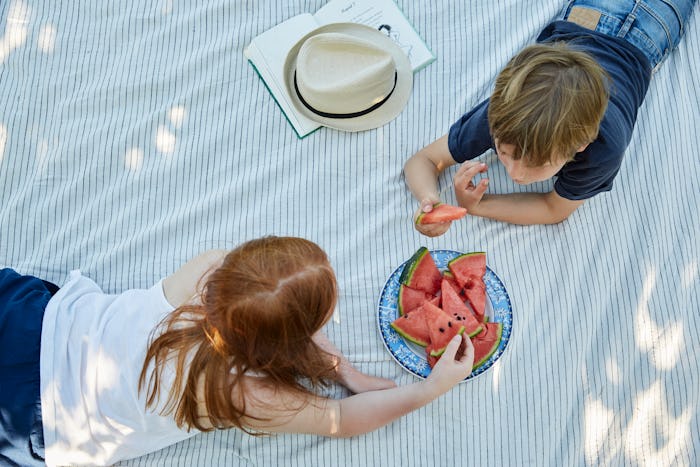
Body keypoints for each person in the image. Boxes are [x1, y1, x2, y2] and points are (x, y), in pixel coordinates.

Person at [0, 236, 474, 466]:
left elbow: (265, 308)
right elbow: (342, 421)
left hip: (33, 320)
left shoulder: (211, 270)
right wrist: (431, 389)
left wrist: (344, 370)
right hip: (33, 416)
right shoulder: (240, 394)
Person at [404, 0, 696, 234]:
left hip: (652, 27)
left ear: (581, 144)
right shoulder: (501, 116)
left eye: (538, 164)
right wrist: (429, 199)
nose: (515, 175)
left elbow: (554, 209)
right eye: (505, 153)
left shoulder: (604, 148)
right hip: (592, 13)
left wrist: (478, 207)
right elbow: (424, 160)